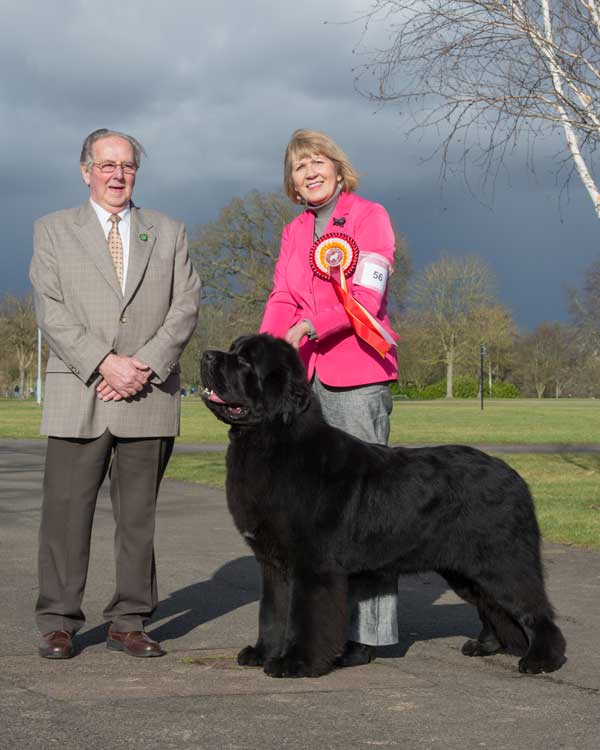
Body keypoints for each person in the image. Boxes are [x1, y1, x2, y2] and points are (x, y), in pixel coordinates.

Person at [30, 128, 201, 659]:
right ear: (86, 171)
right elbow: (49, 309)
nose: (117, 174)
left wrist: (143, 365)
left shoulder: (169, 232)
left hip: (148, 395)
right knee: (65, 515)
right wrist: (104, 362)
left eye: (126, 166)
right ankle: (59, 620)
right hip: (78, 394)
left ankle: (129, 621)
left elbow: (186, 304)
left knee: (138, 518)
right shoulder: (53, 230)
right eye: (106, 165)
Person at [260, 128, 400, 666]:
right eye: (299, 166)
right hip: (305, 380)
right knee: (314, 515)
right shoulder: (294, 232)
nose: (310, 172)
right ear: (292, 182)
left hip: (357, 375)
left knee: (365, 507)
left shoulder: (370, 217)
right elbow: (279, 295)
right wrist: (268, 350)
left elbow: (368, 294)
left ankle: (370, 632)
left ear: (339, 169)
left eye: (318, 161)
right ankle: (322, 627)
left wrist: (311, 327)